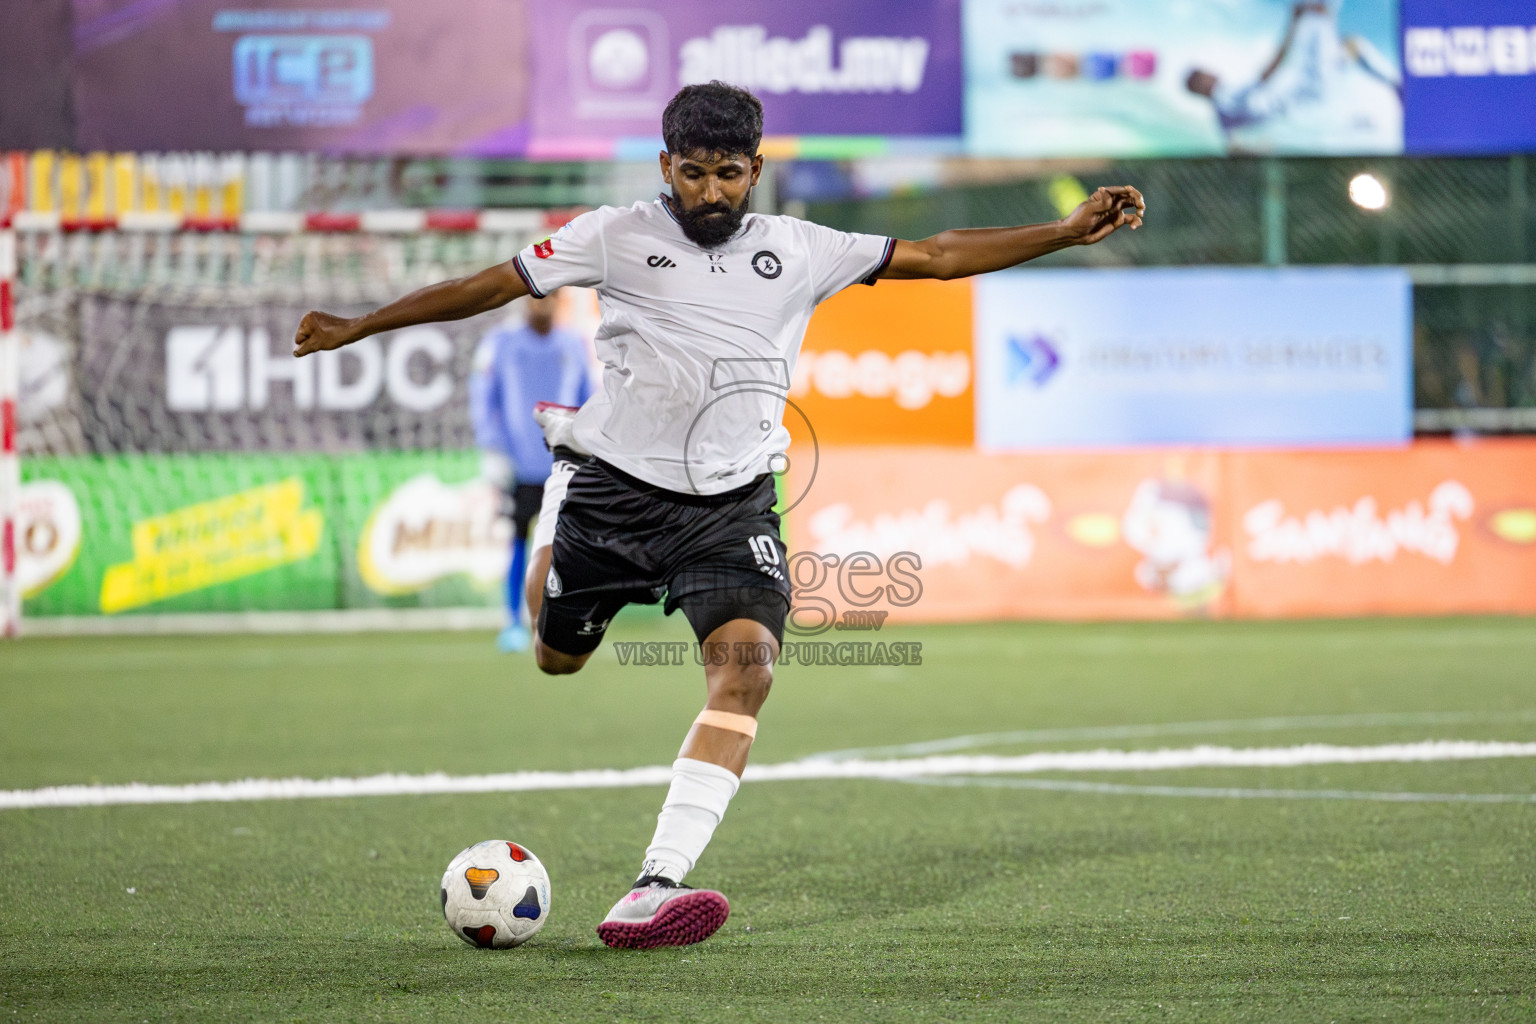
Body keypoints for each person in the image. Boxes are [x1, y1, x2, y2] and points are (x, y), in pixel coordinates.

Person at [294, 81, 1144, 950]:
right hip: (614, 492)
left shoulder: (803, 248)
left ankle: (655, 883)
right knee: (555, 658)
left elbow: (935, 253)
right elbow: (491, 284)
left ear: (755, 170)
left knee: (748, 672)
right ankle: (556, 503)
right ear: (666, 166)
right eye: (693, 172)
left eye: (728, 173)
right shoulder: (612, 234)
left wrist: (1063, 231)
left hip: (732, 506)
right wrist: (358, 326)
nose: (710, 191)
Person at [468, 290, 593, 652]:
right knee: (519, 538)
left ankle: (567, 617)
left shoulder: (573, 343)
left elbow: (589, 397)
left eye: (551, 296)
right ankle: (512, 619)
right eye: (536, 297)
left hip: (565, 463)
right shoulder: (500, 343)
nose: (543, 303)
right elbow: (484, 397)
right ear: (525, 300)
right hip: (519, 464)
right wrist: (492, 449)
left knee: (568, 545)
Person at [1185, 1, 1400, 154]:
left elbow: (1232, 147)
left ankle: (1397, 87)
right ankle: (1399, 86)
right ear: (1200, 85)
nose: (1212, 73)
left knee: (1351, 45)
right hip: (1312, 91)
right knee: (1331, 28)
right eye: (1205, 75)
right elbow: (1268, 73)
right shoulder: (1225, 97)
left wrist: (1260, 149)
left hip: (1305, 103)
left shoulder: (1220, 113)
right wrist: (1293, 23)